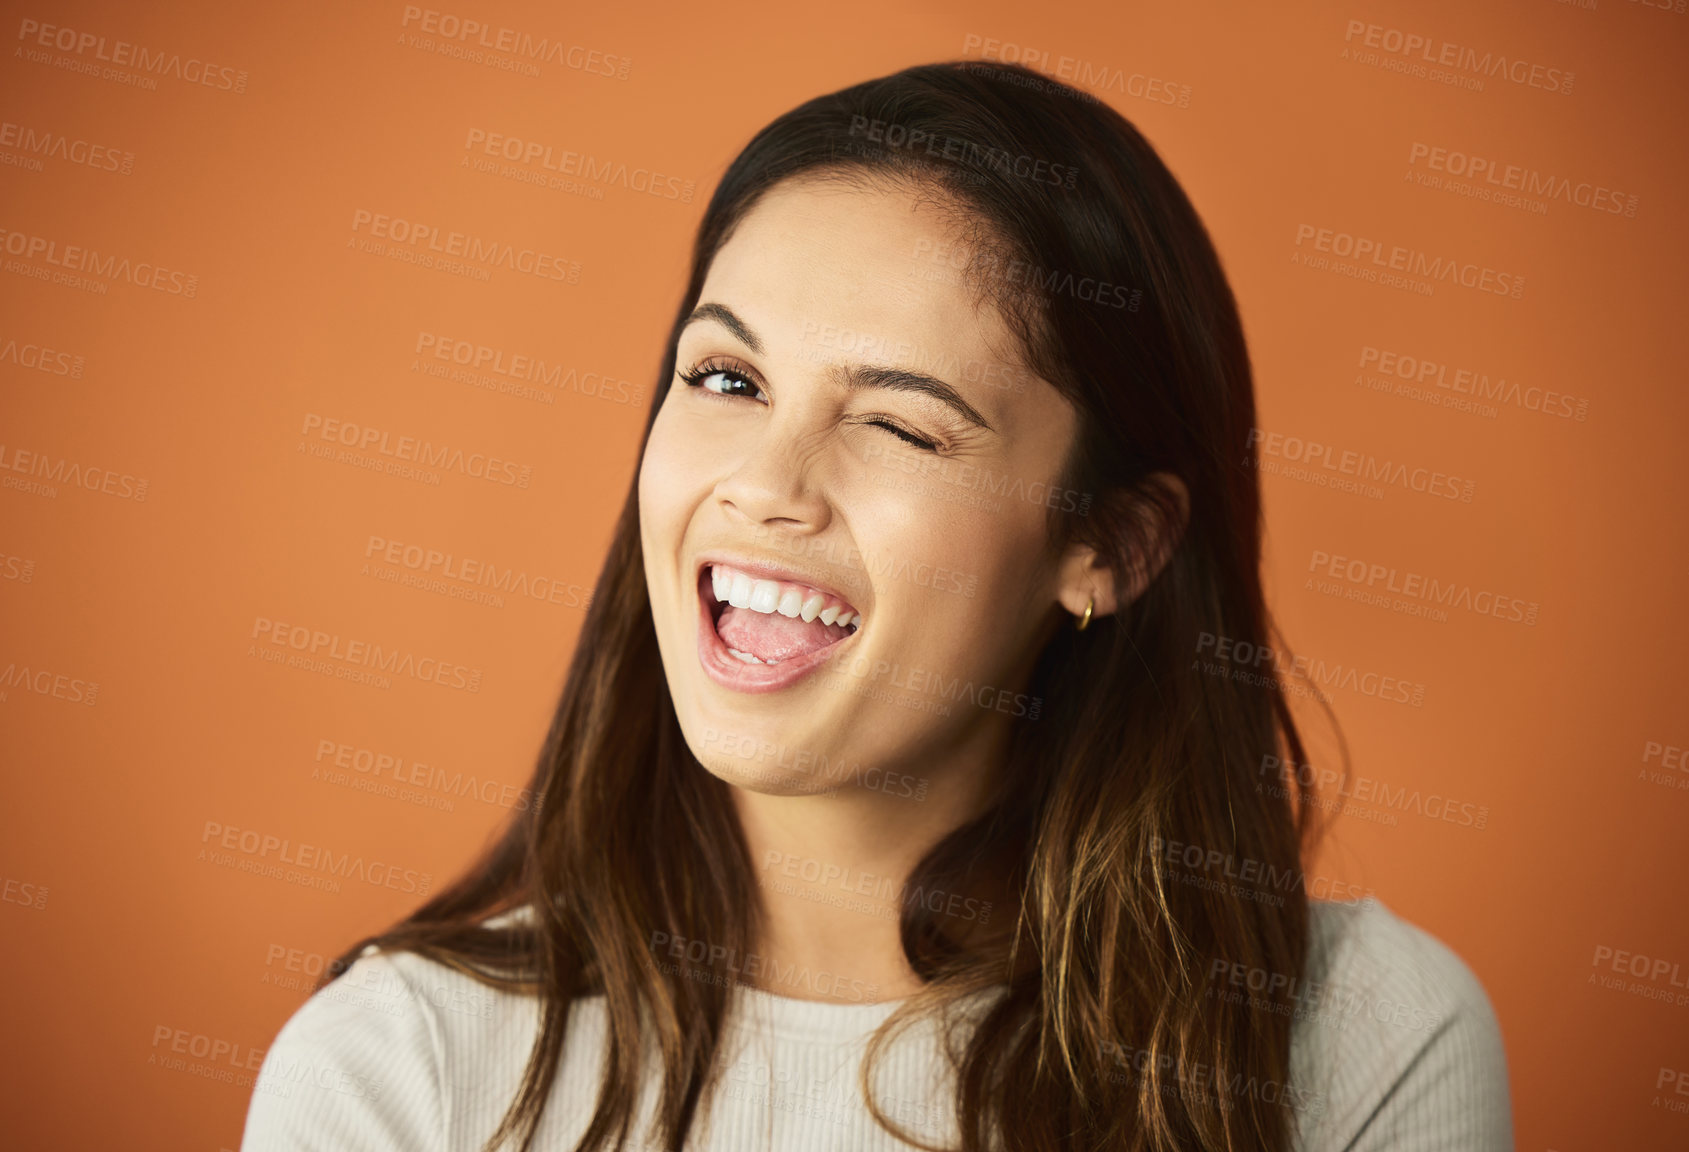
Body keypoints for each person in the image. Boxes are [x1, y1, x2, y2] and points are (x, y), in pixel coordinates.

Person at [240, 60, 1513, 1151]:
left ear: (1113, 547)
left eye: (900, 424)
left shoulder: (1362, 1036)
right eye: (727, 379)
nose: (766, 489)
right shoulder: (393, 1069)